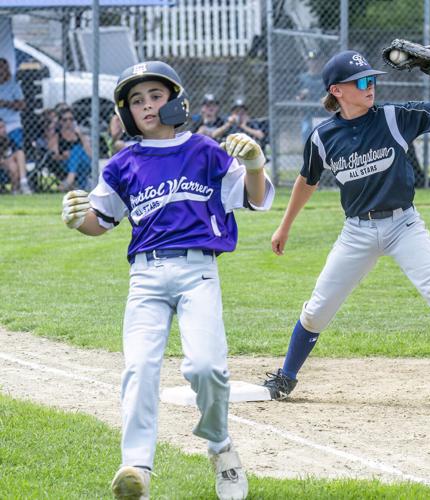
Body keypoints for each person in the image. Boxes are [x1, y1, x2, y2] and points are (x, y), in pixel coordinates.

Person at [60, 61, 274, 500]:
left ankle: (221, 447)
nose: (148, 105)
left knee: (206, 368)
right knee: (139, 368)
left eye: (156, 95)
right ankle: (136, 466)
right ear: (127, 114)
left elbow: (254, 200)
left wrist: (255, 163)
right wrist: (78, 220)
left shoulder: (205, 150)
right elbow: (101, 221)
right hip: (146, 276)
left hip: (199, 272)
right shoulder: (123, 164)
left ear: (176, 100)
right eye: (137, 101)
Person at [262, 49, 430, 414]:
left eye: (372, 80)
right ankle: (286, 377)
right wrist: (284, 226)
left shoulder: (395, 118)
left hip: (404, 225)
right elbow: (307, 179)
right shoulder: (323, 137)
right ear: (337, 91)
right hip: (357, 232)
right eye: (361, 82)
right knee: (318, 309)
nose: (370, 86)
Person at [0, 58, 31, 194]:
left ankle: (22, 183)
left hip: (12, 124)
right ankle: (18, 186)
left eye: (3, 68)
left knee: (18, 151)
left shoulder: (13, 85)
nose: (1, 71)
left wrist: (6, 104)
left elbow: (22, 105)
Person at [49, 107, 93, 191]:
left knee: (77, 149)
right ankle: (75, 183)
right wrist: (64, 156)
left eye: (71, 119)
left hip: (84, 163)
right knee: (76, 151)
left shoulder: (78, 135)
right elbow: (53, 156)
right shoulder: (57, 136)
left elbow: (91, 155)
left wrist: (81, 135)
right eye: (65, 120)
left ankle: (70, 180)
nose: (68, 122)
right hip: (66, 164)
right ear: (60, 121)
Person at [296, 51, 327, 142]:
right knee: (308, 140)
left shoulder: (326, 78)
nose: (314, 63)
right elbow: (297, 97)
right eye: (311, 61)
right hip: (308, 115)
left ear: (321, 62)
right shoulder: (302, 78)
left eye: (316, 60)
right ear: (307, 62)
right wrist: (302, 95)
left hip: (323, 114)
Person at [0, 118, 32, 194]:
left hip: (9, 163)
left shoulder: (8, 139)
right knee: (12, 165)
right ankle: (15, 189)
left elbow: (15, 151)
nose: (3, 130)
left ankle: (22, 183)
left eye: (4, 127)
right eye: (0, 128)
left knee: (19, 154)